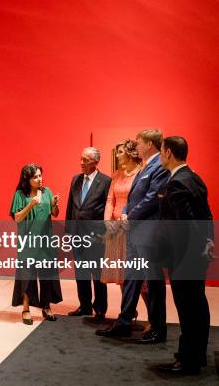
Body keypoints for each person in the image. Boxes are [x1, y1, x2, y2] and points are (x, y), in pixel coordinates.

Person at [96, 129, 169, 343]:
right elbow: (134, 196)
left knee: (153, 284)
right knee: (130, 279)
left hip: (148, 234)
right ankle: (124, 321)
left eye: (138, 142)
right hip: (135, 233)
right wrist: (127, 210)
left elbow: (151, 199)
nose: (135, 146)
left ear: (149, 144)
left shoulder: (159, 166)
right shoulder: (147, 166)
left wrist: (129, 217)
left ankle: (157, 327)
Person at [153, 136, 214, 375]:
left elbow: (183, 225)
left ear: (168, 153)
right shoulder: (194, 177)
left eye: (161, 153)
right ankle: (196, 356)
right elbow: (206, 216)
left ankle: (187, 360)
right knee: (198, 305)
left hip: (184, 256)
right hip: (197, 254)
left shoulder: (177, 183)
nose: (160, 157)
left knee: (188, 308)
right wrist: (208, 242)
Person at [10, 163, 62, 324]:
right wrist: (31, 204)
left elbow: (54, 213)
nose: (39, 179)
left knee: (47, 276)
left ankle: (46, 307)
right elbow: (17, 217)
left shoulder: (47, 192)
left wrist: (54, 204)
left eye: (40, 175)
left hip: (45, 241)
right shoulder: (20, 194)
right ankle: (26, 309)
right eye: (35, 177)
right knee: (27, 277)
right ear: (27, 179)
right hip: (28, 242)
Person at [65, 147, 111, 322]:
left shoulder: (106, 181)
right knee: (81, 272)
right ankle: (84, 306)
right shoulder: (75, 180)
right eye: (81, 159)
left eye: (85, 160)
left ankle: (100, 309)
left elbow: (107, 209)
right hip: (78, 234)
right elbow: (71, 206)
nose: (81, 163)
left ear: (96, 162)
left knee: (98, 275)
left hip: (96, 236)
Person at [101, 141, 143, 291]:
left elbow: (142, 201)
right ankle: (128, 310)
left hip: (132, 228)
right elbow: (109, 200)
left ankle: (151, 311)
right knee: (121, 275)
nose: (117, 155)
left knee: (137, 276)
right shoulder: (117, 174)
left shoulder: (141, 173)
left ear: (130, 154)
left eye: (120, 152)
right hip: (115, 229)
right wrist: (107, 222)